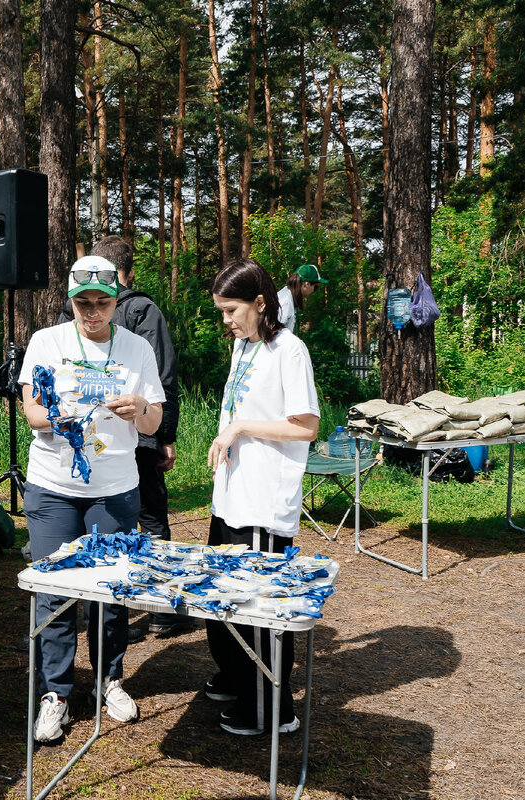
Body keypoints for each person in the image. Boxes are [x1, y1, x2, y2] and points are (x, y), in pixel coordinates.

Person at [20, 257, 165, 743]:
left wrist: (139, 407)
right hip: (53, 487)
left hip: (114, 489)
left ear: (116, 301)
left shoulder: (136, 348)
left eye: (102, 303)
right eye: (83, 303)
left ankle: (109, 679)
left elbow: (154, 420)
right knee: (55, 592)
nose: (92, 312)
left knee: (112, 588)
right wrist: (63, 416)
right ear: (70, 300)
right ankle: (55, 694)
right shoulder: (47, 342)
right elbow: (32, 413)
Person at [204, 258, 320, 736]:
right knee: (223, 600)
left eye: (232, 311)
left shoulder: (289, 350)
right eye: (222, 312)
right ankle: (239, 680)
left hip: (262, 506)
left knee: (260, 609)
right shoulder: (244, 346)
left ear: (259, 302)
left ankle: (272, 710)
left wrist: (240, 428)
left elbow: (306, 427)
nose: (226, 321)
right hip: (232, 498)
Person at [58, 236, 185, 636]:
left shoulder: (72, 307)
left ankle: (97, 612)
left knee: (92, 523)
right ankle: (160, 610)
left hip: (85, 437)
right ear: (129, 271)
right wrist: (165, 435)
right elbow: (163, 376)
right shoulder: (144, 309)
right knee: (150, 519)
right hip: (138, 435)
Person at [276, 262, 329, 331]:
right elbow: (274, 332)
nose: (314, 290)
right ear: (306, 284)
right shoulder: (286, 302)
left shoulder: (288, 293)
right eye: (315, 287)